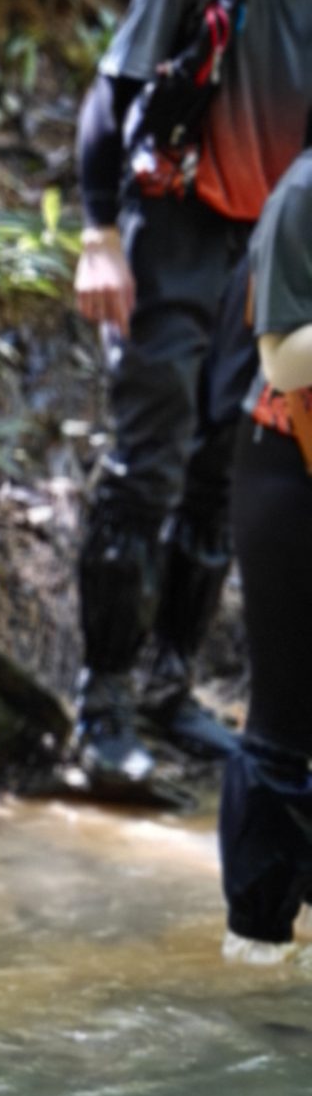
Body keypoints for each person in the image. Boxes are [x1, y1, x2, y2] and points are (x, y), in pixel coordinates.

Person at [68, 0, 312, 786]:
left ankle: (169, 689)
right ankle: (102, 708)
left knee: (222, 469)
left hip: (268, 257)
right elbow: (110, 97)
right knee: (148, 462)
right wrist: (98, 236)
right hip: (171, 231)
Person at [217, 146, 312, 966]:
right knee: (282, 722)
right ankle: (256, 945)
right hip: (289, 464)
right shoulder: (301, 195)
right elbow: (281, 357)